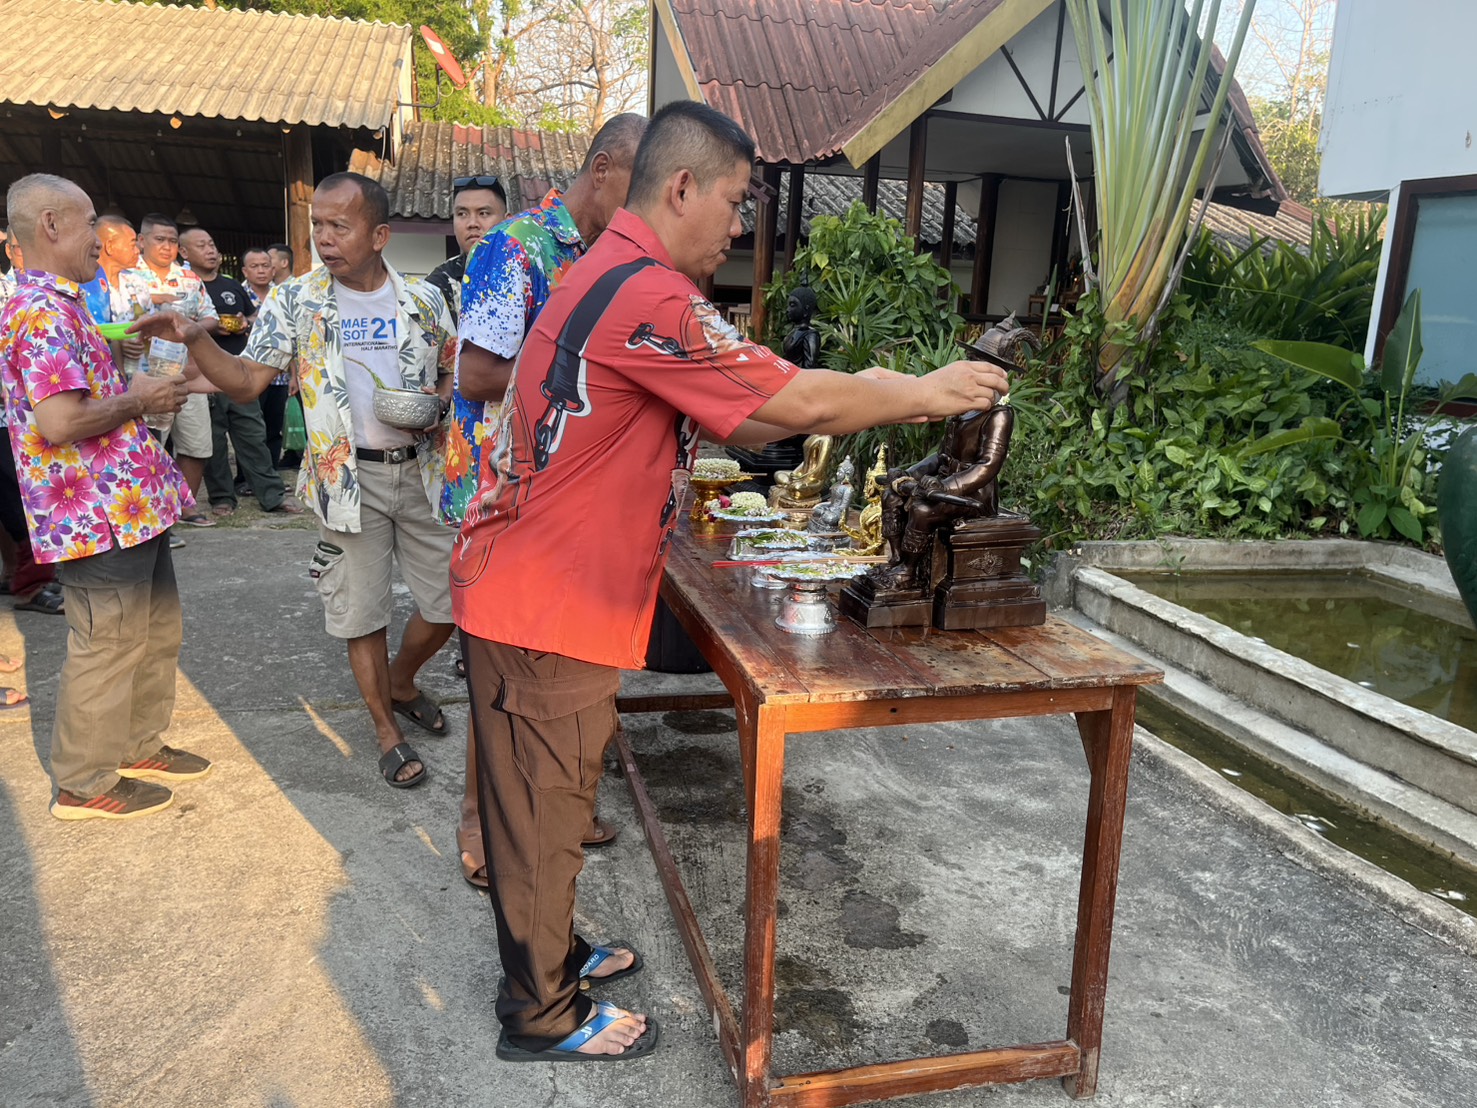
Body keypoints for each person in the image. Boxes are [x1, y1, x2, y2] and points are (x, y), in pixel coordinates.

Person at [451, 100, 1010, 1062]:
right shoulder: (647, 292)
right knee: (543, 810)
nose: (740, 225)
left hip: (542, 589)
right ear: (682, 188)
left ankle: (553, 953)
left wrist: (870, 395)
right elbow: (786, 401)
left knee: (553, 800)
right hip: (541, 600)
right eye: (737, 200)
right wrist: (920, 394)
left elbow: (748, 414)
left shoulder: (611, 272)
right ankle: (539, 1014)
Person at [135, 173, 460, 791]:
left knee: (450, 603)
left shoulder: (424, 299)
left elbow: (451, 368)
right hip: (346, 478)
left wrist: (437, 403)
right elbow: (245, 382)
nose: (325, 239)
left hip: (424, 473)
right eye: (318, 226)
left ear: (380, 236)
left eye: (341, 226)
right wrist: (197, 337)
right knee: (360, 612)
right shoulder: (295, 300)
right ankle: (384, 729)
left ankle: (401, 679)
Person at [449, 113, 647, 890]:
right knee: (500, 672)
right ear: (602, 170)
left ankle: (565, 803)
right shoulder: (516, 246)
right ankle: (478, 818)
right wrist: (602, 368)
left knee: (573, 665)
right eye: (639, 185)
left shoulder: (611, 256)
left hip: (568, 496)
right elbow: (477, 376)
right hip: (500, 494)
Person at [0, 173, 209, 820]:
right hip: (94, 517)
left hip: (127, 507)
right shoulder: (39, 311)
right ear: (51, 226)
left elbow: (80, 391)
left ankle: (139, 745)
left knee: (153, 632)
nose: (103, 236)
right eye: (91, 222)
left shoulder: (64, 304)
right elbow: (60, 421)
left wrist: (129, 363)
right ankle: (83, 782)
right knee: (108, 644)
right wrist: (139, 398)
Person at [177, 227, 298, 516]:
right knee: (215, 442)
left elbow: (253, 316)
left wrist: (244, 321)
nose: (210, 250)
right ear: (184, 252)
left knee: (253, 434)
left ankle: (271, 495)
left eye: (211, 244)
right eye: (201, 245)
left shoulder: (231, 286)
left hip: (239, 371)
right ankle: (222, 497)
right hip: (203, 375)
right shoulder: (184, 286)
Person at [125, 213, 219, 527]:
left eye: (173, 241)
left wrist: (189, 329)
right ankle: (153, 512)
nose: (167, 246)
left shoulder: (190, 279)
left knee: (197, 443)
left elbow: (211, 317)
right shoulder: (127, 276)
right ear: (141, 241)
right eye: (160, 239)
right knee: (149, 445)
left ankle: (184, 507)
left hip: (187, 372)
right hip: (145, 375)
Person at [0, 235, 63, 616]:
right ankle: (22, 578)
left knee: (24, 499)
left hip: (20, 412)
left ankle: (30, 582)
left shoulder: (38, 288)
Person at [425, 175, 507, 326]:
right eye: (462, 214)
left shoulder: (531, 276)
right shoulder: (439, 284)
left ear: (507, 221)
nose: (472, 223)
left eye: (483, 213)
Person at [240, 246, 291, 468]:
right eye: (255, 266)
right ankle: (246, 477)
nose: (261, 271)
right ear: (245, 271)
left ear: (273, 269)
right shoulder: (238, 295)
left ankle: (271, 473)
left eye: (265, 266)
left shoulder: (282, 295)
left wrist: (294, 376)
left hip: (279, 376)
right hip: (249, 374)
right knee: (248, 428)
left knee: (273, 427)